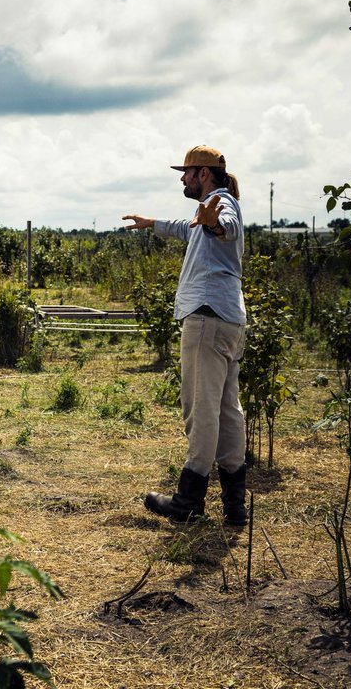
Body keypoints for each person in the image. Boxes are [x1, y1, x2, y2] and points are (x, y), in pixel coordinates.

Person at [122, 146, 248, 525]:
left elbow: (224, 227)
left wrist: (213, 222)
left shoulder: (220, 204)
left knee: (201, 410)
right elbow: (190, 228)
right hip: (227, 319)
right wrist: (153, 224)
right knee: (227, 411)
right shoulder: (209, 206)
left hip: (206, 319)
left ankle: (189, 500)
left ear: (204, 174)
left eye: (187, 172)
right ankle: (235, 505)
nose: (182, 178)